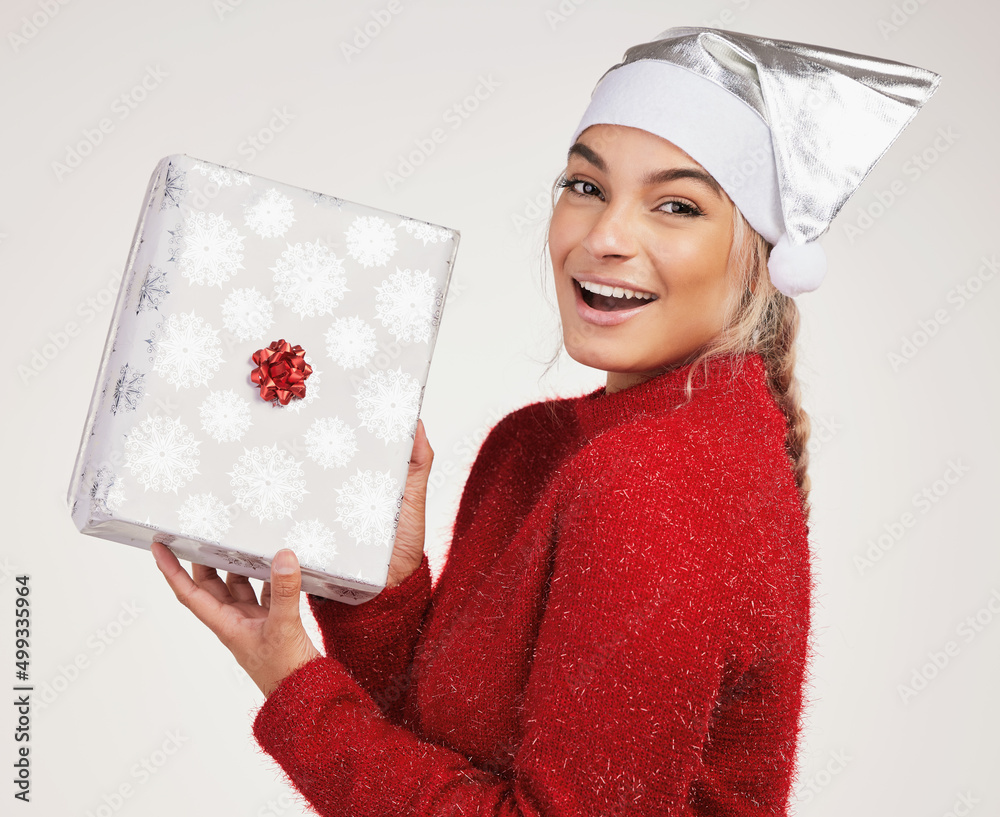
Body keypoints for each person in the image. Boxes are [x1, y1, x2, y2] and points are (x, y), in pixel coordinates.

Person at [151, 26, 940, 816]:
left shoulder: (659, 485)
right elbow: (442, 749)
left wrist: (293, 683)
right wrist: (379, 592)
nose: (604, 237)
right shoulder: (536, 447)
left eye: (676, 205)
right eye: (586, 186)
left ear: (761, 256)